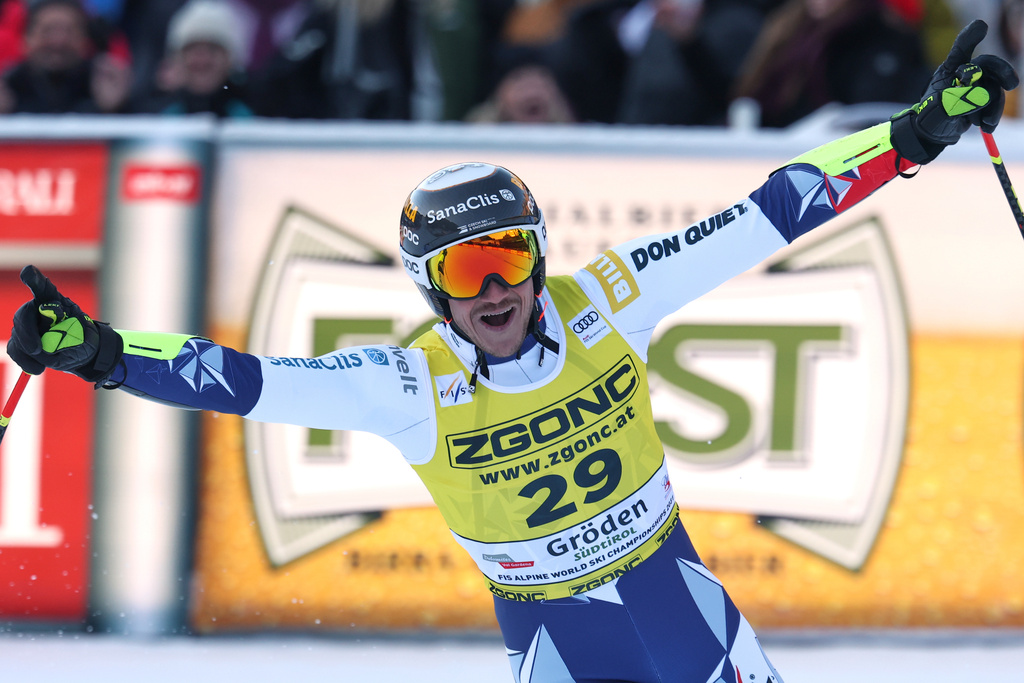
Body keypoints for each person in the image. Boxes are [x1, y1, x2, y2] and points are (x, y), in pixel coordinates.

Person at [5, 20, 1016, 683]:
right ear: (427, 288)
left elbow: (772, 210)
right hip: (549, 631)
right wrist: (98, 350)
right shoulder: (406, 383)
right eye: (462, 271)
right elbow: (239, 380)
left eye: (507, 259)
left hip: (673, 597)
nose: (492, 290)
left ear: (538, 256)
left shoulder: (611, 299)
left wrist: (917, 132)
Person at [0, 0, 130, 114]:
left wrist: (116, 109)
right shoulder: (9, 84)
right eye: (47, 30)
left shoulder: (101, 81)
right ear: (26, 38)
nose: (58, 41)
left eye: (69, 31)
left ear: (85, 38)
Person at [132, 0, 254, 118]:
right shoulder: (153, 120)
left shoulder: (254, 118)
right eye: (193, 49)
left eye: (213, 49)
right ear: (176, 60)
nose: (203, 60)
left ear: (229, 60)